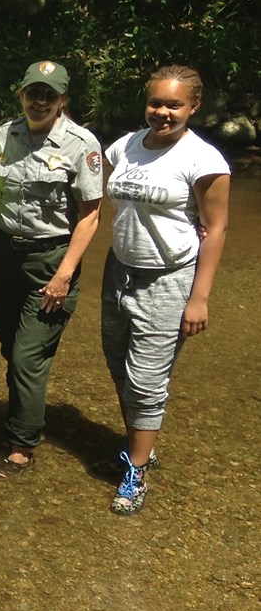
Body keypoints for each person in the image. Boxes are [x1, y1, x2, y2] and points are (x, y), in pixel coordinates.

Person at [99, 65, 229, 515]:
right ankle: (140, 444)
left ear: (194, 106)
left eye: (174, 105)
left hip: (170, 278)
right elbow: (110, 192)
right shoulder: (126, 145)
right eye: (156, 102)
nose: (162, 112)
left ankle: (135, 473)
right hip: (119, 270)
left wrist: (200, 297)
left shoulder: (204, 160)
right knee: (118, 365)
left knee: (147, 380)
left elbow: (215, 229)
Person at [0, 61, 102, 480]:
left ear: (62, 100)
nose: (40, 101)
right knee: (10, 346)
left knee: (28, 357)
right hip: (4, 255)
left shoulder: (81, 144)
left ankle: (21, 448)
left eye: (49, 95)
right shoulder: (4, 134)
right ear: (21, 94)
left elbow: (90, 216)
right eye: (33, 92)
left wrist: (65, 274)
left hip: (51, 260)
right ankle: (21, 415)